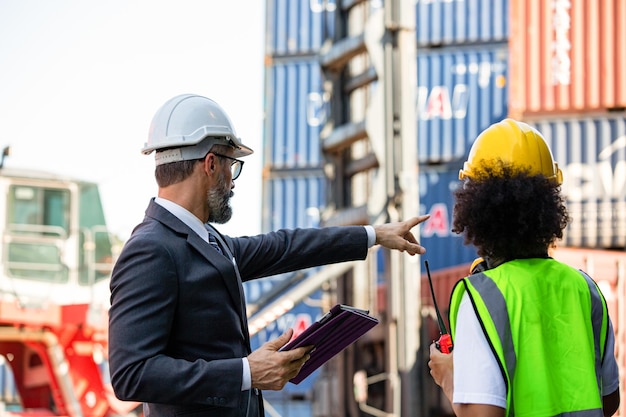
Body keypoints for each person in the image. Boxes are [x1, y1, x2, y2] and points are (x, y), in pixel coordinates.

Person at [108, 93, 430, 417]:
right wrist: (247, 372)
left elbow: (284, 247)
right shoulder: (150, 250)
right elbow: (130, 374)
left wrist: (373, 235)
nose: (232, 183)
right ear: (210, 164)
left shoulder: (210, 241)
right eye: (231, 166)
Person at [428, 119, 620, 417]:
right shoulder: (585, 288)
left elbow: (481, 413)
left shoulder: (481, 297)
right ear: (550, 203)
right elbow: (609, 401)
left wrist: (448, 378)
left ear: (476, 207)